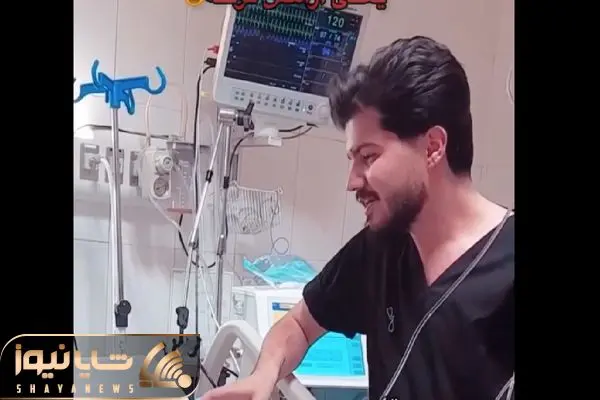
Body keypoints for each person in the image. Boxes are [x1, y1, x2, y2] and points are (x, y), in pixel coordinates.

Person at [202, 36, 514, 400]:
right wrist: (264, 374)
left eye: (368, 157)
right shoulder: (381, 248)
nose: (352, 182)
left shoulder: (506, 267)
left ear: (432, 147)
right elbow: (299, 325)